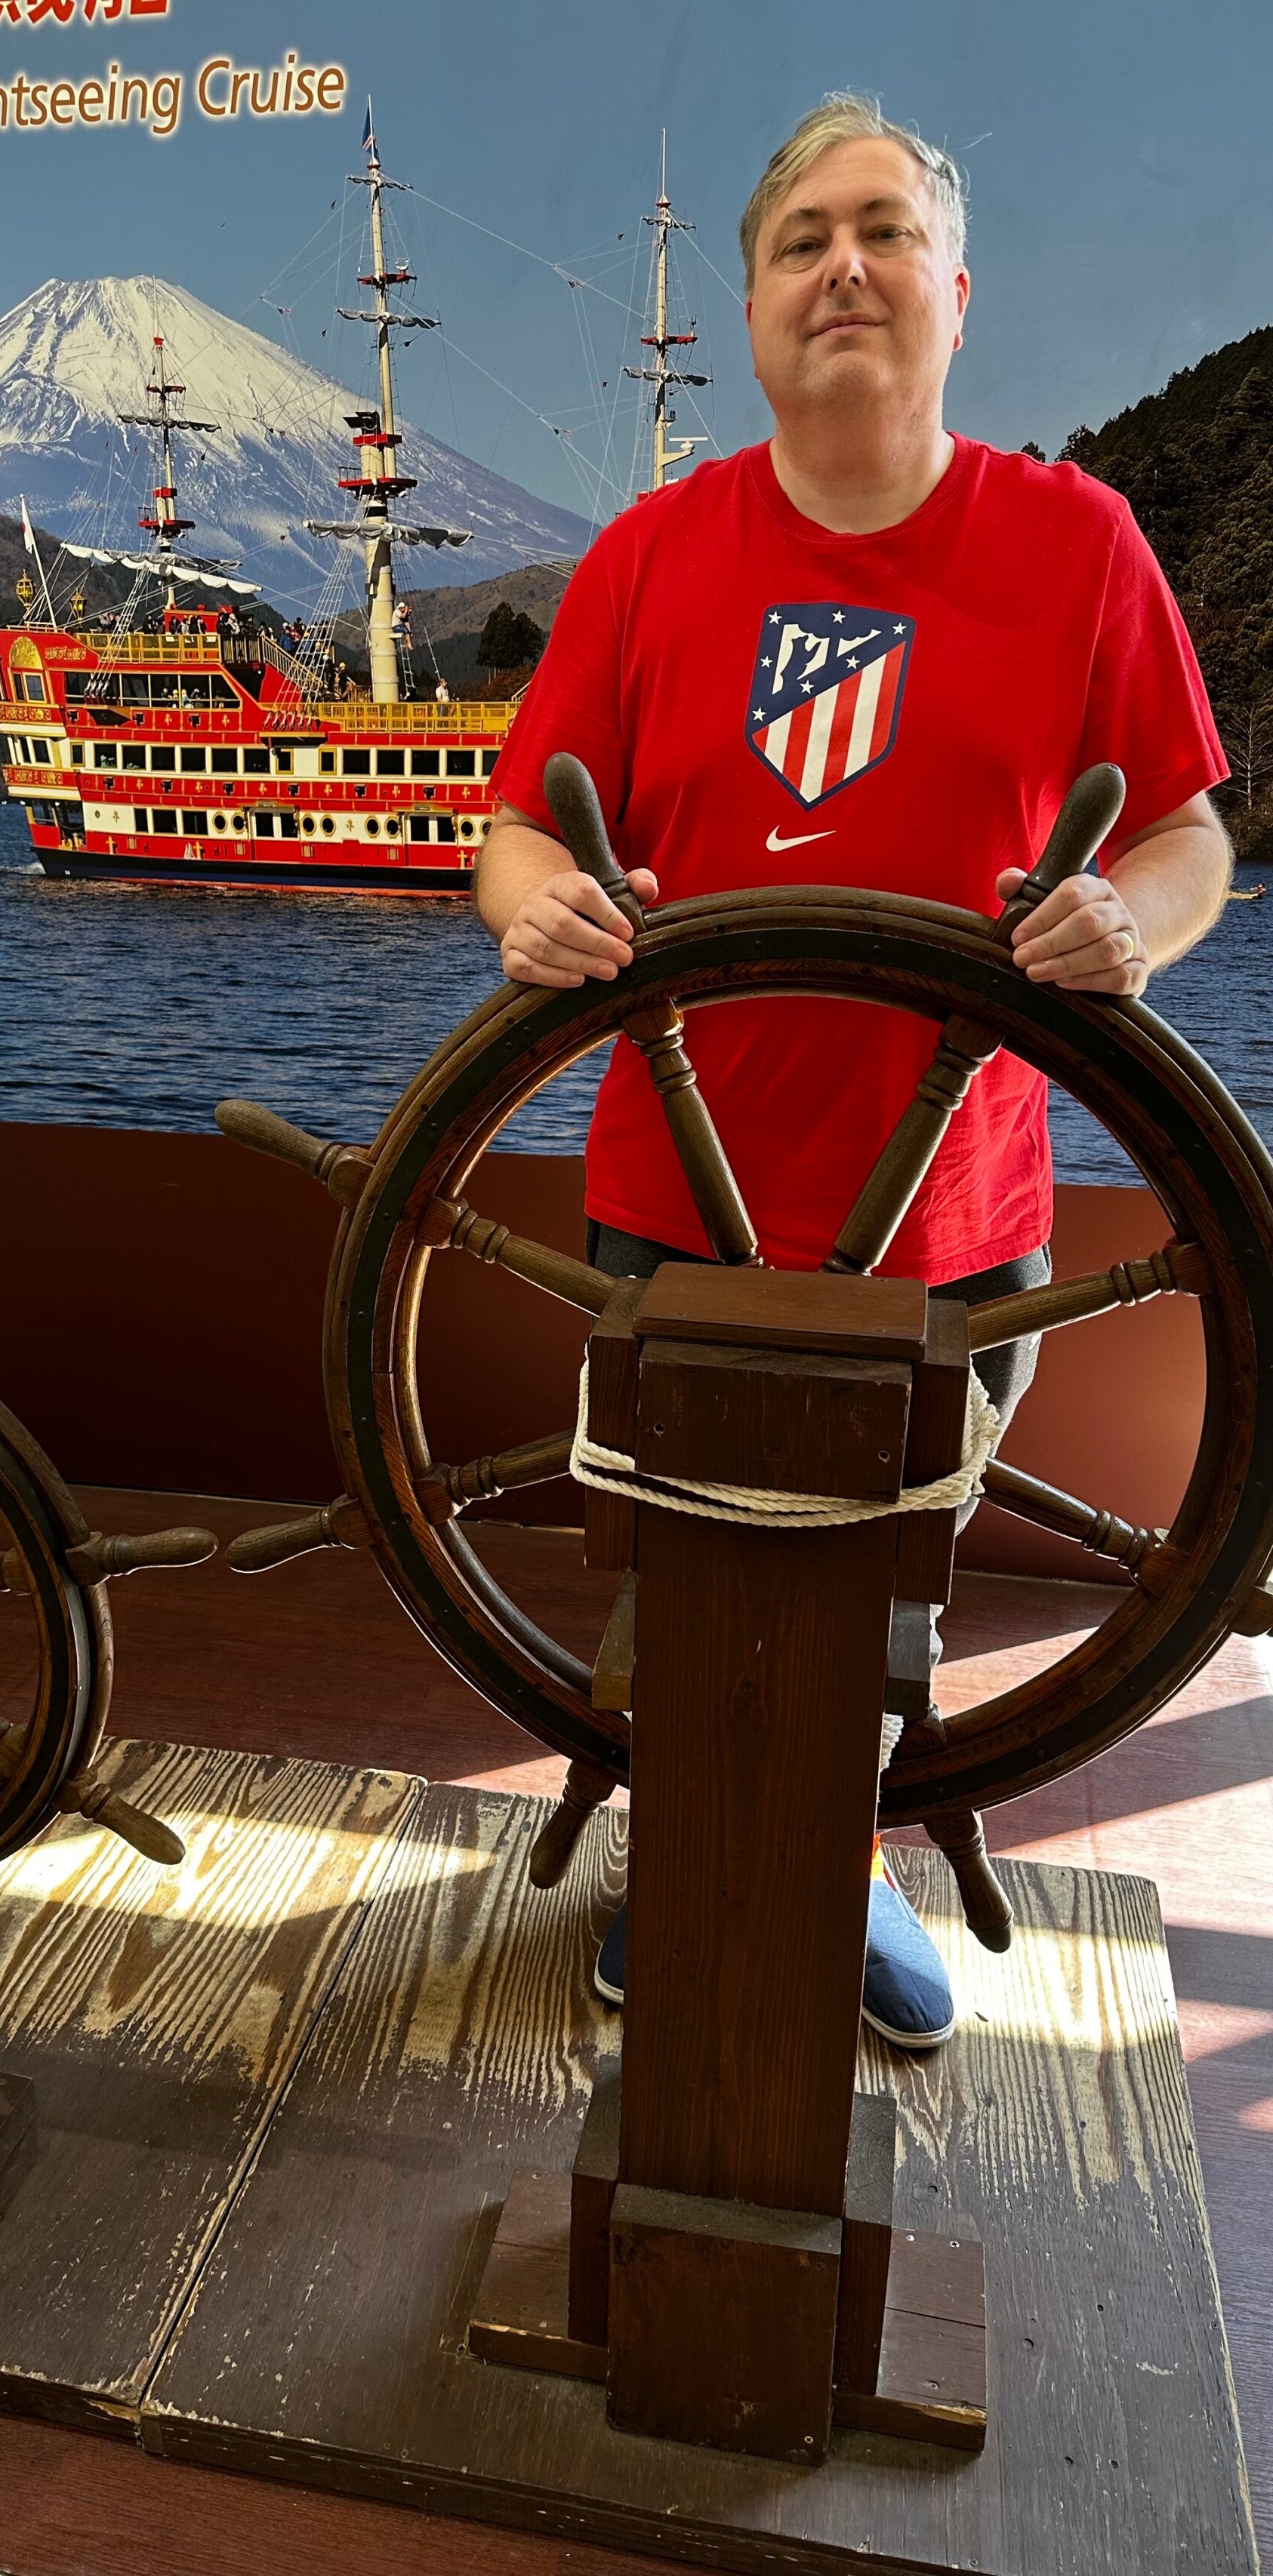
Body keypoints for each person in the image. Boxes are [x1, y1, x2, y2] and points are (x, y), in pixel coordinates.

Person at [476, 93, 1230, 2049]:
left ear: (956, 294)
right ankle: (688, 1839)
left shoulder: (1079, 543)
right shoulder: (648, 557)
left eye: (885, 230)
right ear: (749, 307)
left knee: (886, 1586)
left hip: (962, 1224)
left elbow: (1188, 835)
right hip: (672, 1206)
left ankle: (839, 1854)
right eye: (803, 239)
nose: (844, 268)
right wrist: (536, 909)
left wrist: (1134, 922)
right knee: (686, 1574)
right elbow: (521, 829)